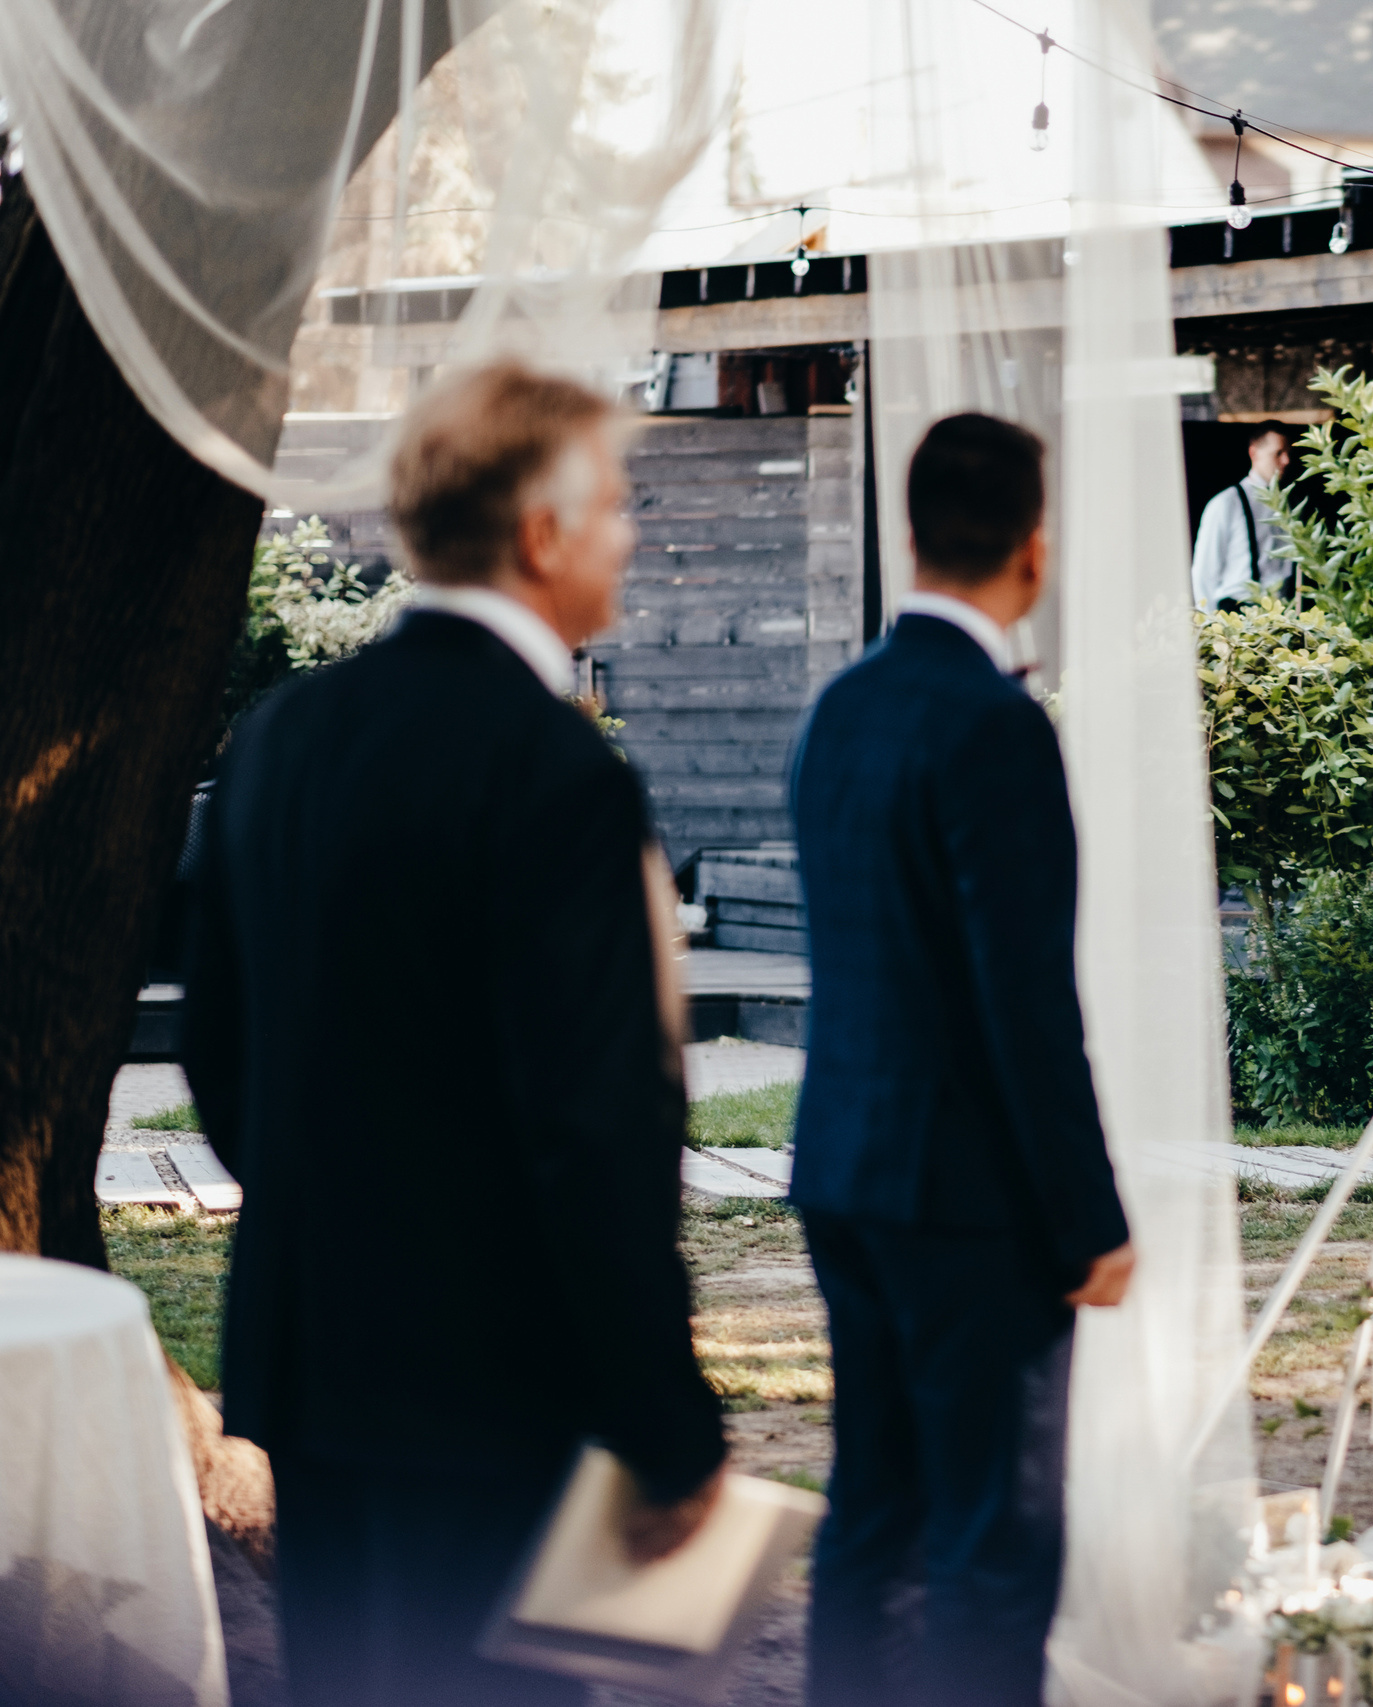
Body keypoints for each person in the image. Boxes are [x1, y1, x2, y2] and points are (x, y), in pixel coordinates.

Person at [183, 361, 727, 1706]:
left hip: (314, 1359)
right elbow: (595, 1127)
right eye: (615, 503)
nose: (630, 533)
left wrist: (337, 1222)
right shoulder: (556, 772)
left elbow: (220, 1052)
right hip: (494, 1390)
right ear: (541, 533)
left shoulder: (278, 739)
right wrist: (665, 1419)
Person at [790, 413, 1135, 1707]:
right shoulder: (997, 725)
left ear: (913, 533)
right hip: (966, 1200)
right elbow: (1024, 1001)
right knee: (996, 1544)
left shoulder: (841, 709)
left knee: (871, 1517)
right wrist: (1087, 1217)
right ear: (1033, 547)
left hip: (844, 1169)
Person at [1188, 419, 1295, 610]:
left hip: (1280, 613)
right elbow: (1205, 571)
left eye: (1288, 453)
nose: (1286, 460)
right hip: (1236, 612)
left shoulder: (1287, 505)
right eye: (1278, 453)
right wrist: (1208, 621)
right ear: (1254, 453)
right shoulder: (1227, 503)